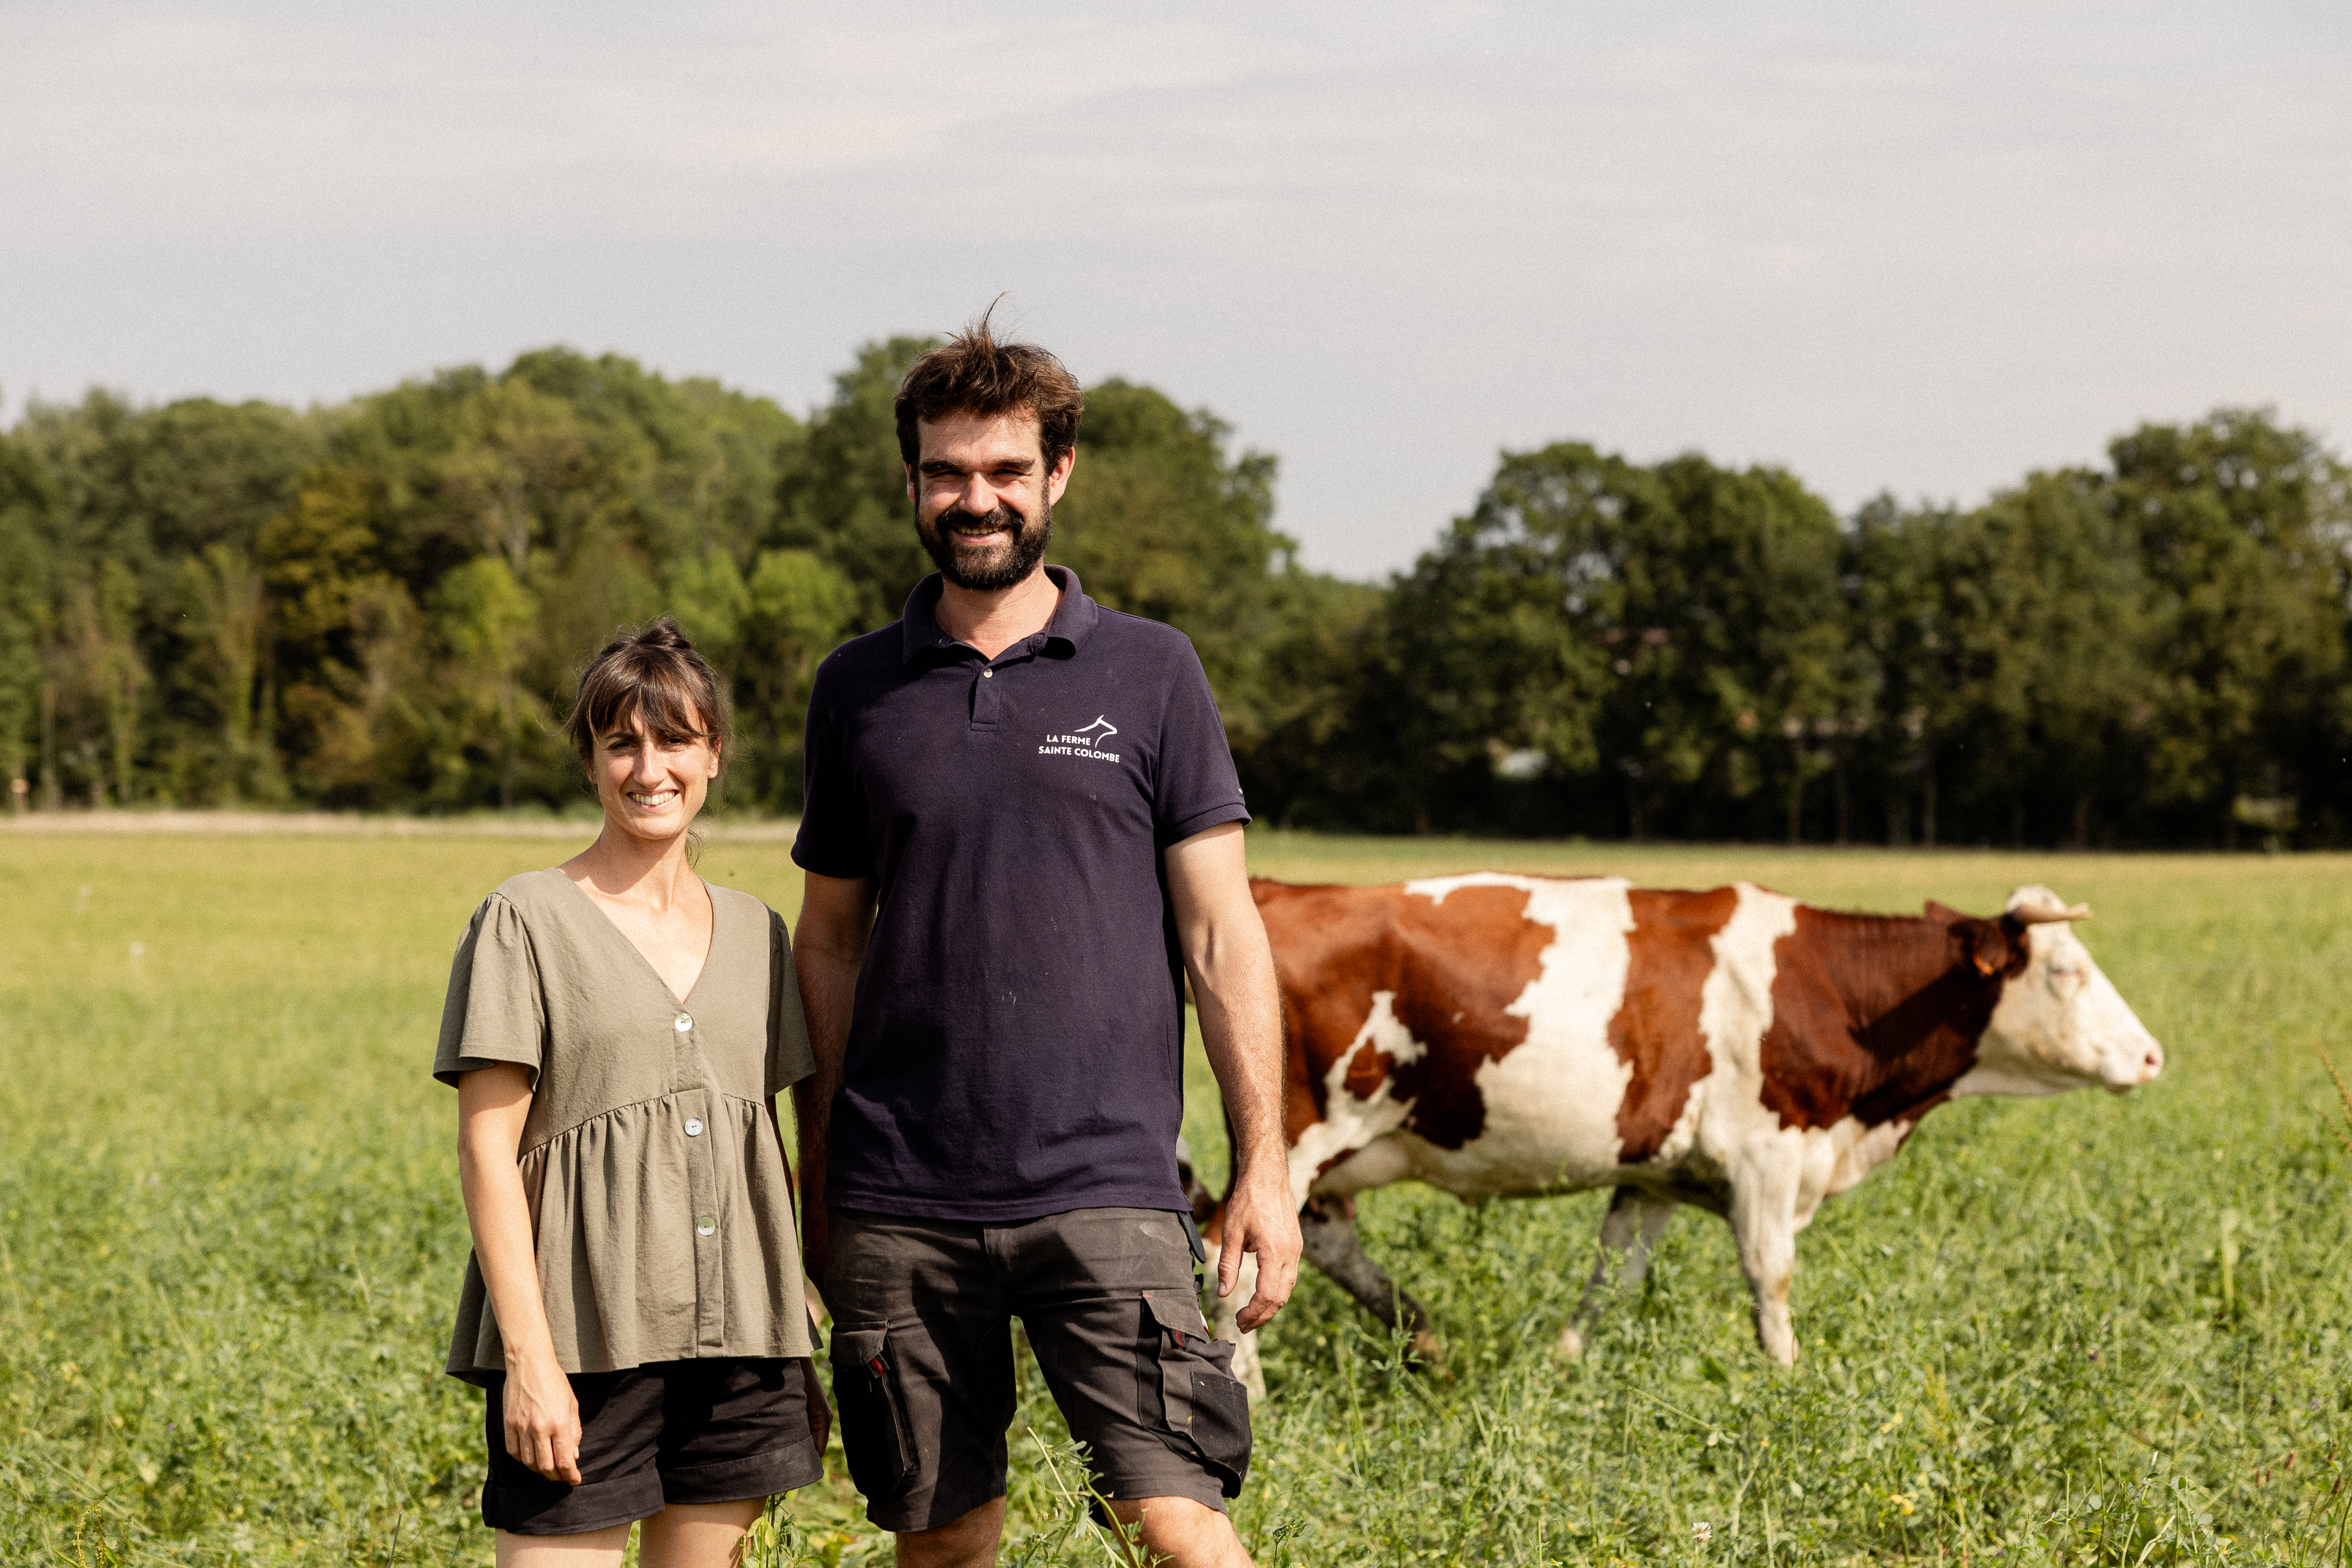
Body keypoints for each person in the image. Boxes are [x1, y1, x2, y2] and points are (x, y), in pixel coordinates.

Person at [792, 313, 1304, 1568]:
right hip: (897, 1202)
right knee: (945, 1537)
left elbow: (1220, 934)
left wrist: (1265, 1168)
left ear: (1057, 474)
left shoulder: (1151, 673)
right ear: (912, 480)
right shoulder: (855, 687)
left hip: (1107, 1190)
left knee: (1176, 1521)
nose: (978, 499)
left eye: (1006, 472)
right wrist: (817, 1179)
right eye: (949, 472)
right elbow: (829, 944)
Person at [434, 621, 830, 1567]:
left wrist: (800, 1321)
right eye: (622, 742)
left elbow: (764, 1144)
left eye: (675, 740)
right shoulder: (523, 918)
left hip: (738, 1347)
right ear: (591, 761)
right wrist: (531, 1362)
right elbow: (487, 1152)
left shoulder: (756, 931)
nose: (650, 768)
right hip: (579, 1344)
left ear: (715, 756)